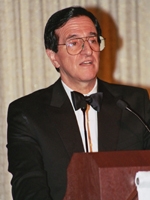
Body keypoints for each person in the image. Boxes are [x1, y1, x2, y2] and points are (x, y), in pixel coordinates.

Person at [7, 6, 150, 200]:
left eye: (92, 40)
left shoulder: (134, 102)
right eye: (74, 43)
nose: (88, 51)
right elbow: (28, 185)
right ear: (54, 57)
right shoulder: (27, 113)